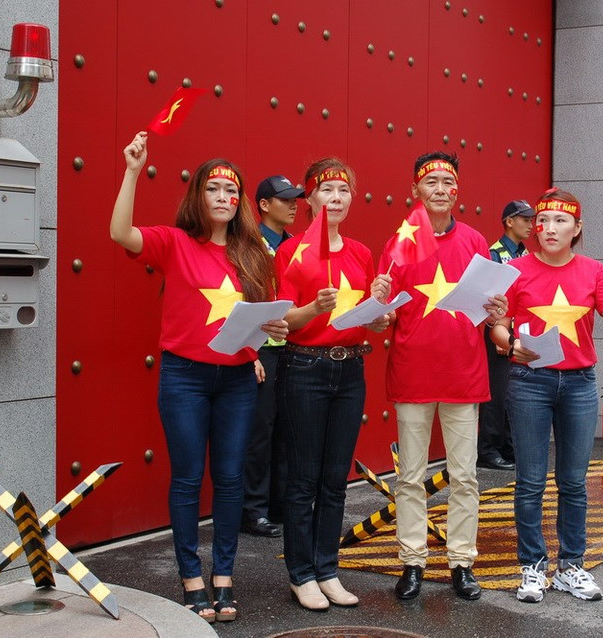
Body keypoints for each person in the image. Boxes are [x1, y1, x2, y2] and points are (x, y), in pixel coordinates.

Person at [110, 131, 289, 624]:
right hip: (185, 378)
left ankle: (224, 577)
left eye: (232, 192)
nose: (225, 198)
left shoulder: (253, 253)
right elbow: (121, 234)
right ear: (198, 196)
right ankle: (191, 577)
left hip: (235, 380)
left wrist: (266, 334)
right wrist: (131, 171)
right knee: (189, 479)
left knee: (230, 480)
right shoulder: (174, 242)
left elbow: (257, 318)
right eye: (215, 189)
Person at [490, 189, 603, 604]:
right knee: (529, 482)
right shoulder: (515, 270)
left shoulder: (594, 271)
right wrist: (509, 345)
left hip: (579, 384)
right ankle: (532, 567)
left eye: (560, 221)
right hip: (529, 381)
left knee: (574, 482)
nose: (548, 228)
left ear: (577, 229)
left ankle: (571, 566)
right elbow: (498, 329)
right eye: (542, 221)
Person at [379, 151, 507, 602]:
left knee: (465, 475)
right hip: (413, 372)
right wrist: (376, 305)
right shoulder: (400, 241)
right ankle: (412, 561)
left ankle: (461, 563)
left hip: (463, 374)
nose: (439, 189)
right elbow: (382, 318)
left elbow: (491, 310)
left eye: (446, 182)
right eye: (430, 181)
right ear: (415, 189)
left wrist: (499, 312)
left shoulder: (475, 241)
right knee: (410, 475)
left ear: (457, 191)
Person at [274, 158, 392, 611]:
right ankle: (300, 574)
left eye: (343, 191)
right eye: (327, 192)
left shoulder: (361, 252)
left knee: (334, 479)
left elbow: (370, 321)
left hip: (349, 371)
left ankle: (327, 569)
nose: (336, 199)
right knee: (303, 478)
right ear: (310, 200)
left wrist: (380, 315)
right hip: (304, 367)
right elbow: (282, 320)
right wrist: (313, 309)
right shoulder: (292, 252)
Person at [241, 175, 304, 539]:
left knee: (286, 430)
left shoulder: (296, 246)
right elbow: (243, 300)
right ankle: (253, 510)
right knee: (260, 432)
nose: (294, 204)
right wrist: (250, 352)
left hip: (293, 348)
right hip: (261, 349)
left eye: (296, 198)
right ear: (264, 205)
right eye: (285, 199)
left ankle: (280, 504)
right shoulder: (249, 245)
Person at [477, 199, 535, 471]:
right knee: (497, 393)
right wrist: (498, 331)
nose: (531, 225)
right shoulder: (494, 253)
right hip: (498, 330)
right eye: (524, 219)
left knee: (515, 391)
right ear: (509, 221)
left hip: (519, 332)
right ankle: (488, 450)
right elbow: (487, 296)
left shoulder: (527, 255)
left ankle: (510, 448)